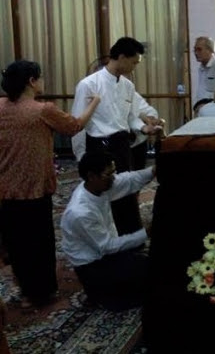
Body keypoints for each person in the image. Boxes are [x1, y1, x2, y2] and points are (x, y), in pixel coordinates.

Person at [0, 60, 100, 307]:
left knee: (16, 242)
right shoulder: (42, 110)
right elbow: (75, 126)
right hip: (34, 188)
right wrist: (94, 103)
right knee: (39, 242)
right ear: (32, 82)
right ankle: (41, 292)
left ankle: (25, 288)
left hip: (6, 188)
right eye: (40, 77)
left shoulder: (1, 106)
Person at [71, 37, 162, 236]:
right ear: (121, 57)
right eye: (133, 62)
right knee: (104, 192)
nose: (134, 67)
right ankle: (107, 237)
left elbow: (130, 116)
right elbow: (78, 123)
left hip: (121, 144)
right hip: (99, 144)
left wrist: (143, 128)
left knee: (126, 190)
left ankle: (131, 235)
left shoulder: (127, 85)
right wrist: (80, 156)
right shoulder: (89, 84)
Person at [60, 151, 155, 310]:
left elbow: (129, 180)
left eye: (114, 172)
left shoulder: (99, 186)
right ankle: (100, 295)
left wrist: (153, 171)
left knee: (150, 268)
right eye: (109, 174)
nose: (114, 177)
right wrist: (146, 233)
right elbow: (108, 246)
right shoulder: (80, 212)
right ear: (91, 176)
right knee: (145, 286)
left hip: (108, 256)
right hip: (92, 265)